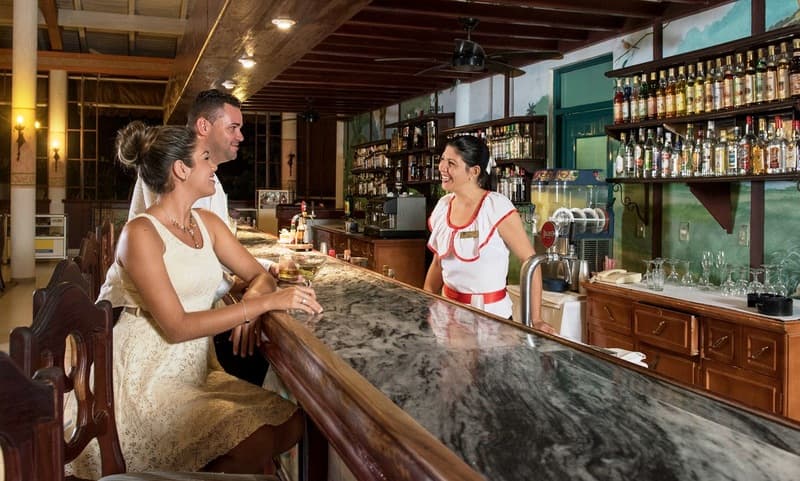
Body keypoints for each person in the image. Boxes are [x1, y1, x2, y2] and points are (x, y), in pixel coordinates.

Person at [69, 121, 322, 477]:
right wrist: (262, 305)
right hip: (145, 378)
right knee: (255, 440)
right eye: (205, 157)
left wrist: (256, 300)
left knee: (292, 423)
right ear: (181, 169)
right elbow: (177, 326)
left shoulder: (207, 223)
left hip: (195, 369)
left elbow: (261, 275)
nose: (214, 165)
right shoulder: (140, 233)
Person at [129, 89, 272, 386]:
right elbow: (178, 281)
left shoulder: (207, 200)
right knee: (264, 359)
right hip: (154, 346)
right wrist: (250, 306)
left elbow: (212, 260)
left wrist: (251, 287)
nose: (241, 136)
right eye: (233, 127)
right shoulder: (147, 224)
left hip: (194, 319)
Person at [424, 135, 553, 333]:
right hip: (448, 318)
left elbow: (530, 262)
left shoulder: (496, 207)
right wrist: (427, 301)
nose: (442, 167)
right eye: (442, 159)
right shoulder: (443, 206)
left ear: (474, 171)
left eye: (451, 163)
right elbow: (437, 262)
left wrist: (536, 320)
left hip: (492, 320)